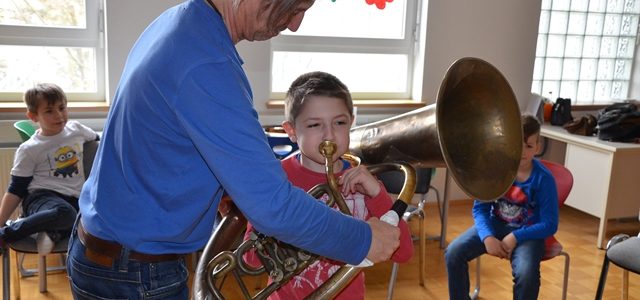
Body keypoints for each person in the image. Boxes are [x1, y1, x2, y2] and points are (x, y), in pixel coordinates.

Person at [67, 0, 401, 299]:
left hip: (102, 246)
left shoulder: (180, 21)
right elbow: (274, 208)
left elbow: (170, 141)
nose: (295, 24)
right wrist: (363, 239)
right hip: (136, 272)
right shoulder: (207, 63)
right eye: (295, 7)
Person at [243, 71, 414, 299]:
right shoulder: (276, 179)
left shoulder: (363, 183)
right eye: (314, 125)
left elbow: (404, 252)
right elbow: (250, 259)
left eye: (339, 122)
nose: (329, 136)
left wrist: (376, 194)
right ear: (291, 131)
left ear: (351, 122)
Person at [444, 114, 559, 300]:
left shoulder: (544, 179)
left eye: (529, 146)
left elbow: (550, 224)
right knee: (453, 253)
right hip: (496, 225)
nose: (522, 151)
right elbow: (480, 209)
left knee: (527, 275)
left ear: (538, 148)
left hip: (529, 234)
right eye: (518, 144)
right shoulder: (496, 169)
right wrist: (487, 237)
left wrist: (515, 236)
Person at [0, 83, 98, 254]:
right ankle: (5, 234)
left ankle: (52, 233)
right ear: (33, 116)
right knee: (65, 213)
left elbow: (98, 140)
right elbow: (16, 189)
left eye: (62, 108)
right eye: (49, 111)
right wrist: (1, 220)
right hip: (41, 197)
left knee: (90, 218)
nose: (59, 115)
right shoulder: (30, 149)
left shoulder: (77, 130)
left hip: (74, 198)